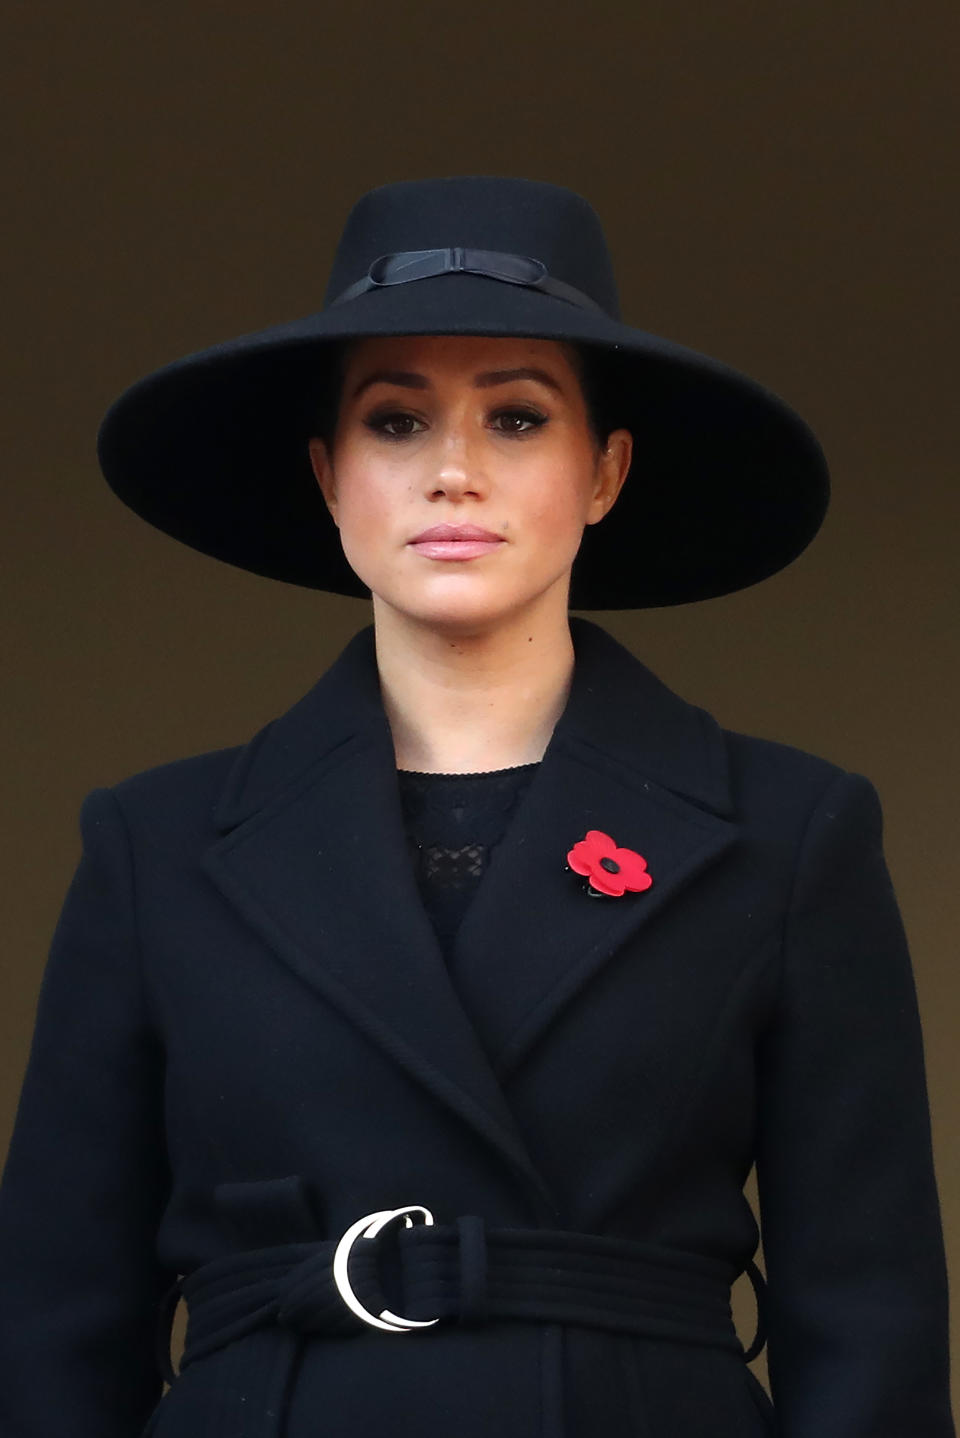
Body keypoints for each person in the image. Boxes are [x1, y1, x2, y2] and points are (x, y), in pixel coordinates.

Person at [0, 175, 953, 1438]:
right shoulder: (154, 849)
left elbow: (869, 1328)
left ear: (604, 470)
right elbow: (56, 1331)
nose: (453, 472)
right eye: (396, 422)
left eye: (515, 417)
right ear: (329, 476)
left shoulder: (790, 835)